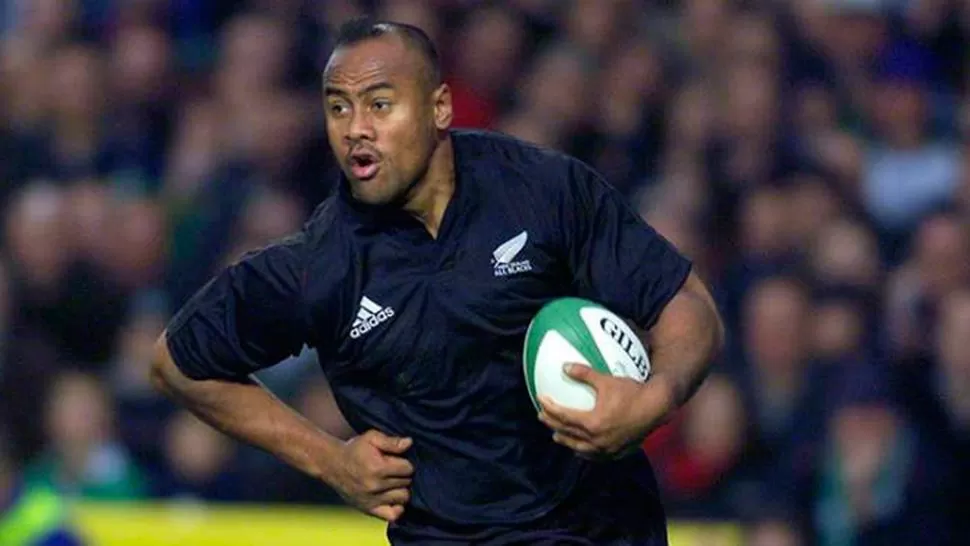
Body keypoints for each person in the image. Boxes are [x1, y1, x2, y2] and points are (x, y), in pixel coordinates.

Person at [150, 18, 723, 545]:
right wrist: (329, 460)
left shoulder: (543, 190)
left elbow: (685, 303)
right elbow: (176, 364)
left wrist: (654, 399)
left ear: (440, 107)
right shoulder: (320, 265)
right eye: (339, 108)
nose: (356, 129)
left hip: (601, 529)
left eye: (379, 104)